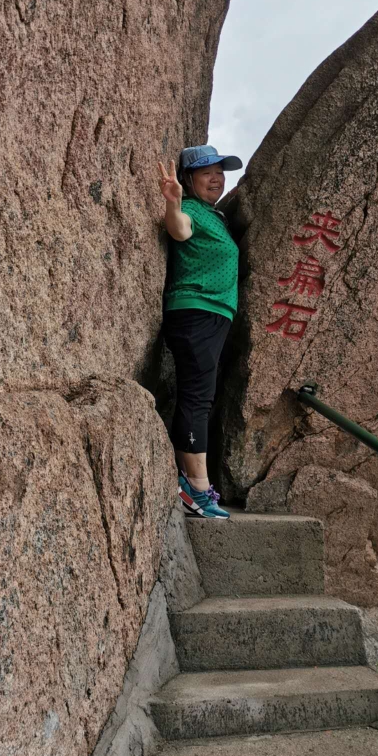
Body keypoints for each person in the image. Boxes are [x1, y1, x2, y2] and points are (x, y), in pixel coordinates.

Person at [158, 144, 242, 519]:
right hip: (196, 311)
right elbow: (179, 230)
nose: (216, 178)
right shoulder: (191, 209)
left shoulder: (215, 216)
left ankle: (196, 484)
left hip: (212, 315)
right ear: (189, 179)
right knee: (197, 397)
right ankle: (196, 488)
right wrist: (173, 202)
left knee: (200, 395)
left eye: (220, 172)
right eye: (207, 172)